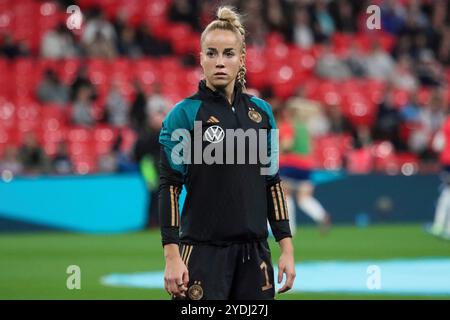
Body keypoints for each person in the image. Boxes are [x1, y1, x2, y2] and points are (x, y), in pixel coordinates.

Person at [158, 6, 295, 300]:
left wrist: (286, 248)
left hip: (256, 255)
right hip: (202, 255)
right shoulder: (183, 116)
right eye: (211, 53)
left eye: (228, 53)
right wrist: (171, 256)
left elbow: (272, 183)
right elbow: (169, 187)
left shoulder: (263, 114)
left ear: (241, 58)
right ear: (201, 58)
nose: (220, 61)